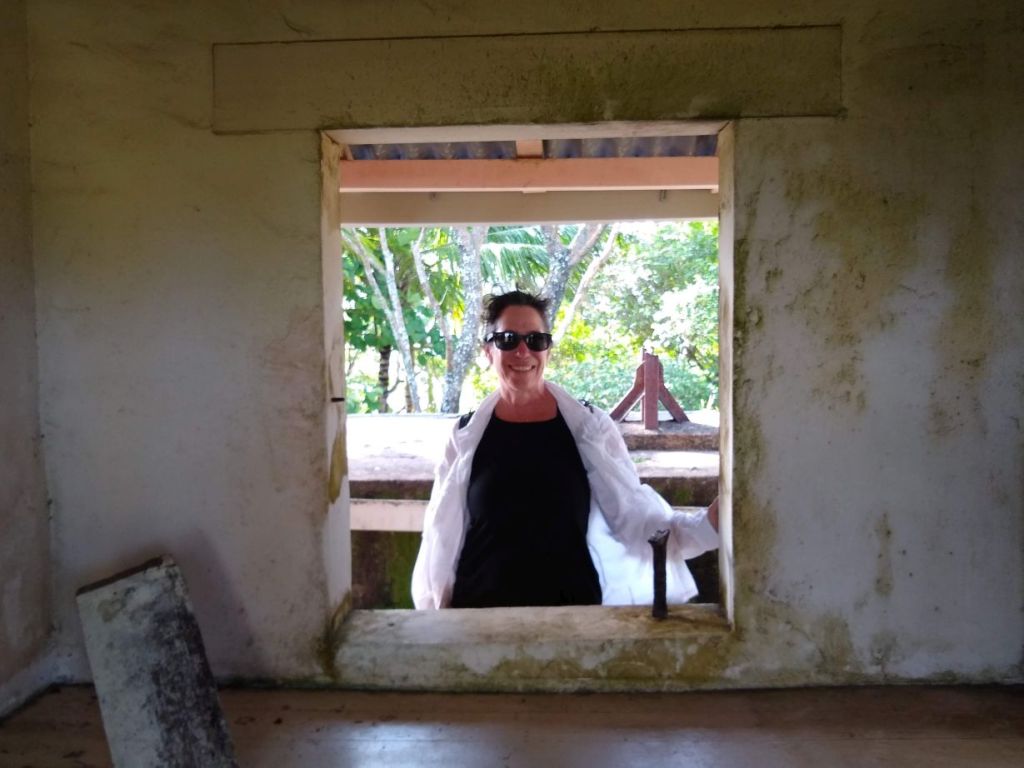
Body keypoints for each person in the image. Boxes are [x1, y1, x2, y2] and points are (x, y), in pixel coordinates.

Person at [411, 290, 719, 609]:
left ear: (548, 350)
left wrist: (708, 526)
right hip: (477, 615)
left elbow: (636, 516)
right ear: (488, 351)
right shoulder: (464, 435)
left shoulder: (590, 428)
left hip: (573, 615)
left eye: (535, 340)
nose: (522, 351)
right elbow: (440, 534)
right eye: (507, 340)